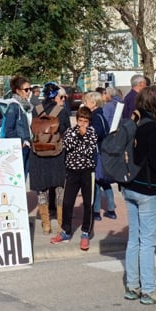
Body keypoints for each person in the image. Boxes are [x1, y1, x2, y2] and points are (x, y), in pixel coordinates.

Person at [122, 85, 156, 304]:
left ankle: (133, 286)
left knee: (134, 238)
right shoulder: (151, 126)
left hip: (129, 185)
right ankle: (149, 289)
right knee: (147, 241)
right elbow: (155, 159)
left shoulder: (133, 122)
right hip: (146, 187)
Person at [53, 105, 98, 250]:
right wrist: (79, 136)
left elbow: (89, 150)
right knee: (67, 202)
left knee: (87, 203)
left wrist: (83, 137)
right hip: (72, 171)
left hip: (87, 171)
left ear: (89, 122)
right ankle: (66, 230)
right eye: (80, 120)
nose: (82, 124)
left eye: (85, 121)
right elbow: (68, 145)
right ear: (76, 120)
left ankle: (85, 232)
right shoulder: (70, 131)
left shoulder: (92, 133)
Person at [29, 82, 68, 235]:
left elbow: (32, 130)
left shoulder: (36, 110)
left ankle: (46, 225)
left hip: (38, 153)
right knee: (59, 189)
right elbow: (65, 131)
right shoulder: (61, 111)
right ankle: (60, 222)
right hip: (56, 153)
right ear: (55, 96)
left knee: (42, 190)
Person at [85, 90, 117, 221]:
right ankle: (111, 209)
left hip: (98, 153)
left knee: (97, 182)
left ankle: (96, 212)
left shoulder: (95, 117)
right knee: (105, 182)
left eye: (86, 101)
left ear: (93, 103)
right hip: (103, 152)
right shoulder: (101, 115)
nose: (84, 103)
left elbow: (97, 133)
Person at [3, 76, 34, 172]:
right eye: (26, 89)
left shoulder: (26, 106)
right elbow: (8, 130)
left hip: (29, 145)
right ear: (17, 91)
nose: (29, 92)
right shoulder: (14, 106)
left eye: (30, 89)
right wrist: (21, 142)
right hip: (20, 147)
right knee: (20, 177)